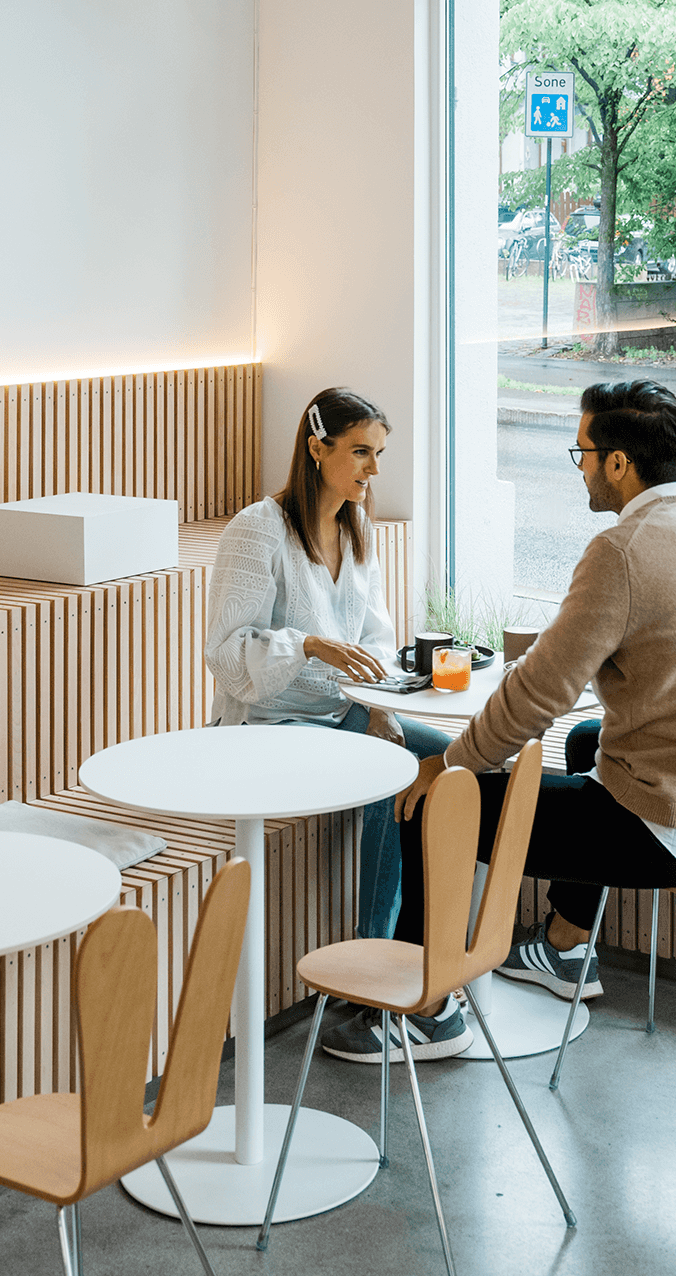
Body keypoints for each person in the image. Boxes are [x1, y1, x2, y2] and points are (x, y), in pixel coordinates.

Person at [395, 380, 676, 999]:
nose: (580, 472)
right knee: (586, 738)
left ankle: (422, 1007)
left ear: (619, 464)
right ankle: (567, 945)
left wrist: (446, 765)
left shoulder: (621, 550)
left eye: (583, 455)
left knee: (437, 804)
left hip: (663, 826)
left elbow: (537, 696)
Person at [206, 385, 473, 1062]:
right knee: (392, 777)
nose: (372, 470)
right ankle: (371, 988)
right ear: (316, 447)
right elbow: (227, 659)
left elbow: (377, 645)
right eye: (361, 452)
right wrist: (308, 644)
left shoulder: (357, 529)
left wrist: (382, 711)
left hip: (342, 714)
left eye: (378, 454)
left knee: (450, 765)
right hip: (266, 730)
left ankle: (425, 959)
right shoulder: (256, 530)